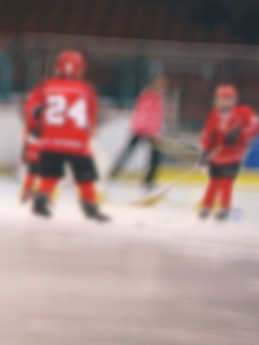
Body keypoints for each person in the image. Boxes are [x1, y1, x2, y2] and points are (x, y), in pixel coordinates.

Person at [22, 49, 109, 222]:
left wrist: (37, 127)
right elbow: (91, 117)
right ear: (80, 68)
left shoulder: (46, 87)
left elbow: (31, 111)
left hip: (50, 140)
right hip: (77, 143)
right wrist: (87, 135)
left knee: (50, 175)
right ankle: (90, 207)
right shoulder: (86, 90)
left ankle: (40, 201)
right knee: (85, 177)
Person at [198, 83, 259, 221]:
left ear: (233, 99)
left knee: (226, 180)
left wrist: (240, 133)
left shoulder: (243, 112)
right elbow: (207, 134)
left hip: (234, 155)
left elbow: (255, 126)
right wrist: (205, 151)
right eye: (221, 98)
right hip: (217, 155)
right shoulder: (214, 114)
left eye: (228, 98)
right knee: (214, 181)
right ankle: (206, 206)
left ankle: (224, 208)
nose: (224, 101)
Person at [110, 74, 168, 189]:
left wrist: (157, 131)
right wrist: (145, 130)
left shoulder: (160, 97)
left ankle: (149, 180)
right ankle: (113, 173)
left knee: (154, 157)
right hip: (142, 130)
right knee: (129, 151)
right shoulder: (147, 96)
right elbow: (143, 114)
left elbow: (159, 117)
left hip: (152, 132)